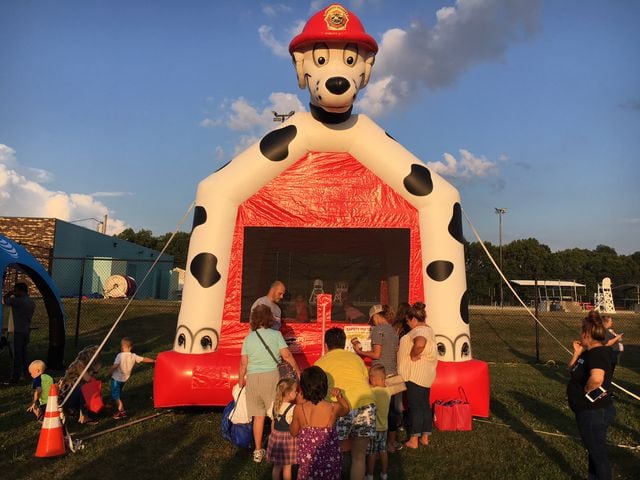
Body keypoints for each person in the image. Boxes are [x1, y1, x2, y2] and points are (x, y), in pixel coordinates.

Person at [238, 304, 300, 463]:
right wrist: (297, 370)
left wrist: (240, 380)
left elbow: (243, 363)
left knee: (258, 417)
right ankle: (274, 448)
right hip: (271, 376)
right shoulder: (275, 335)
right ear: (269, 318)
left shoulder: (248, 338)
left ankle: (258, 451)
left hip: (252, 378)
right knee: (275, 414)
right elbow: (286, 355)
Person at [315, 327, 376, 480]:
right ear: (344, 344)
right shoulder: (356, 358)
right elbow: (364, 379)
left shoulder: (320, 363)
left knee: (336, 452)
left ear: (326, 346)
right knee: (359, 456)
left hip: (340, 407)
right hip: (366, 404)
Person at [567, 313, 615, 480]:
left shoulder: (597, 354)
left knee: (598, 455)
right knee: (594, 451)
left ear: (587, 334)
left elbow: (596, 379)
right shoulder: (588, 352)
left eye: (582, 331)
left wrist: (586, 392)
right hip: (591, 412)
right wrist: (576, 353)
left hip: (593, 413)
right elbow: (572, 371)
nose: (580, 334)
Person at [352, 304, 402, 453]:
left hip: (382, 375)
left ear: (375, 316)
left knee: (380, 411)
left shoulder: (377, 330)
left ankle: (378, 444)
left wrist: (359, 351)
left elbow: (377, 355)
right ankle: (391, 444)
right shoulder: (393, 330)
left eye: (372, 320)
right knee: (393, 411)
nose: (372, 323)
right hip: (394, 373)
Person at [290, 366, 349, 480]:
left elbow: (293, 432)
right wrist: (339, 396)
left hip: (308, 465)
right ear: (325, 386)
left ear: (303, 388)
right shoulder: (334, 407)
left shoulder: (299, 409)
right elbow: (346, 409)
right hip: (330, 463)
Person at [397, 301, 438, 449]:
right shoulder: (429, 329)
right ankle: (425, 437)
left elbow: (420, 344)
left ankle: (413, 439)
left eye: (407, 321)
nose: (407, 324)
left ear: (413, 319)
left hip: (415, 375)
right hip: (426, 375)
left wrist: (414, 355)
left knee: (415, 406)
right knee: (424, 405)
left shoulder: (418, 330)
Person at [109, 337, 155, 420]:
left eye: (122, 346)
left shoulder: (119, 355)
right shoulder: (133, 356)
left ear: (122, 347)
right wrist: (154, 361)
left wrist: (109, 372)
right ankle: (111, 402)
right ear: (131, 347)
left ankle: (122, 412)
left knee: (116, 395)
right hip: (124, 379)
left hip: (116, 378)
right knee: (117, 391)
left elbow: (115, 366)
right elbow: (144, 359)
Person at [58, 345, 102, 425]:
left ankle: (78, 412)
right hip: (66, 397)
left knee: (85, 388)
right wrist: (95, 370)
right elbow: (88, 379)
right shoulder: (80, 365)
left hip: (70, 393)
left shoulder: (78, 364)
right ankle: (83, 416)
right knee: (85, 389)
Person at [3, 282, 35, 383]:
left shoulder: (18, 301)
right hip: (26, 330)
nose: (15, 292)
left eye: (16, 290)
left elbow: (5, 301)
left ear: (20, 291)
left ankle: (15, 377)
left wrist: (9, 293)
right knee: (24, 354)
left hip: (19, 331)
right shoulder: (31, 301)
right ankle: (26, 373)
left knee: (17, 355)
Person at [267, 377, 299, 480]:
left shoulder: (273, 405)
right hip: (288, 440)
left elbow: (273, 421)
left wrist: (273, 434)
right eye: (295, 391)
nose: (297, 392)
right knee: (287, 467)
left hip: (276, 438)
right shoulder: (292, 408)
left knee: (277, 466)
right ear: (289, 393)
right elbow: (294, 425)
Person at [365, 365, 391, 480]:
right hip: (384, 427)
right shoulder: (387, 390)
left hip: (374, 428)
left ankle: (370, 475)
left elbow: (368, 391)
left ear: (374, 379)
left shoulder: (373, 392)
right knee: (383, 450)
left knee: (371, 452)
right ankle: (384, 473)